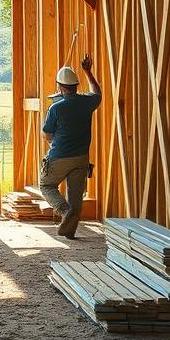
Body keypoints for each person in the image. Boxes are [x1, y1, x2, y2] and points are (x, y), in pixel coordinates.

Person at [39, 54, 101, 239]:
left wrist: (52, 139)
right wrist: (88, 72)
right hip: (81, 158)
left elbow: (47, 134)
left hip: (59, 157)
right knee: (76, 197)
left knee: (47, 185)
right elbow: (97, 93)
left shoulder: (56, 108)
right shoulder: (87, 103)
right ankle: (69, 232)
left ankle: (64, 211)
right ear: (75, 85)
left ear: (60, 87)